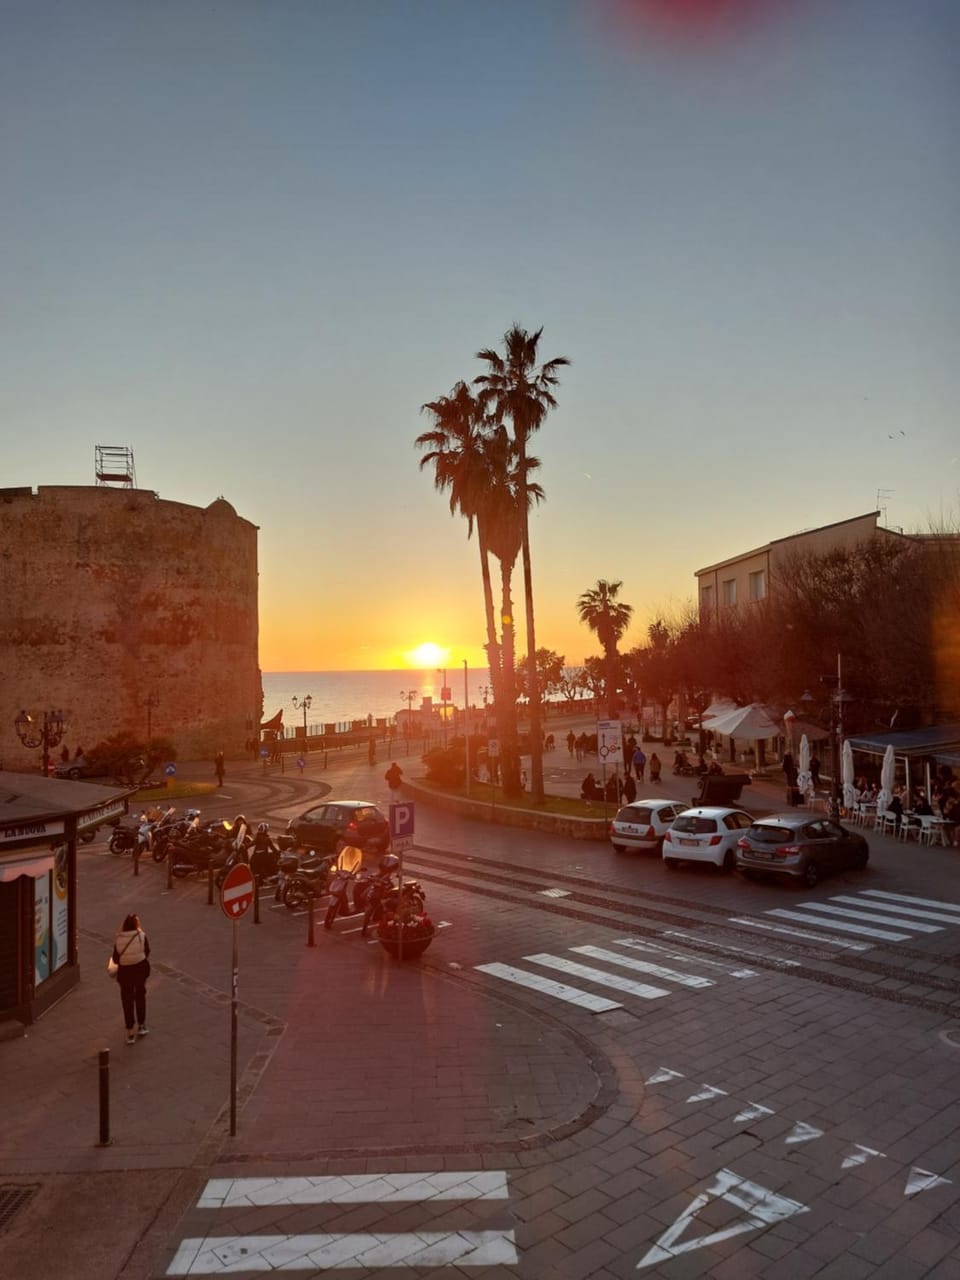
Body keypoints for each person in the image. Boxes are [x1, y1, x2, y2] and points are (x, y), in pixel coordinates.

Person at [113, 913, 151, 1045]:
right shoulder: (141, 936)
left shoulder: (118, 939)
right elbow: (147, 952)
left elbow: (116, 959)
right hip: (140, 969)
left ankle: (130, 1032)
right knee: (140, 995)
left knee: (127, 1000)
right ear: (136, 924)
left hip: (125, 972)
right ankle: (141, 1025)